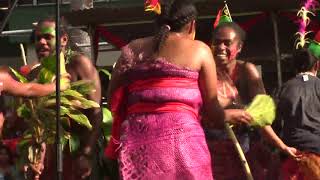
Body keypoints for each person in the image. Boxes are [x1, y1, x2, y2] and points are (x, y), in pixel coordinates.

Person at [105, 1, 251, 179]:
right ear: (192, 25)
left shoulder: (132, 49)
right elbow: (214, 113)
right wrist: (236, 114)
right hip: (185, 146)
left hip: (138, 144)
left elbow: (113, 97)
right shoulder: (200, 50)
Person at [205, 22, 298, 180]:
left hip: (243, 147)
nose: (220, 47)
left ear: (239, 47)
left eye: (227, 43)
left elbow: (261, 115)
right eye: (217, 42)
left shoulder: (247, 71)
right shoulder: (204, 71)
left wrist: (281, 146)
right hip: (210, 147)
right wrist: (234, 109)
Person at [28, 17, 102, 180]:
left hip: (76, 154)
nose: (41, 42)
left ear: (63, 40)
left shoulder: (79, 64)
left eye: (47, 37)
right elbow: (33, 121)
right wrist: (34, 156)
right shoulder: (35, 74)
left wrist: (87, 153)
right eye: (37, 37)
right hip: (47, 157)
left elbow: (96, 113)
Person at [276, 48, 320, 180]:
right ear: (317, 65)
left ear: (294, 67)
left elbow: (273, 122)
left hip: (291, 154)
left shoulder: (283, 88)